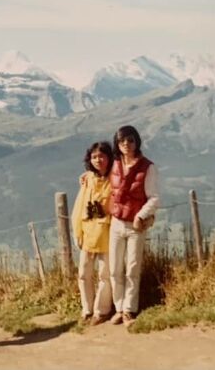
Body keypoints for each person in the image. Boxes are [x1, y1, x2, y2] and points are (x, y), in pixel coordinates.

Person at [108, 125, 160, 326]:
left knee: (132, 268)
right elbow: (100, 176)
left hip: (134, 226)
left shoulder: (148, 167)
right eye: (122, 141)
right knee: (114, 269)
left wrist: (141, 216)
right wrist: (85, 176)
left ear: (137, 141)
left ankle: (129, 310)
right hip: (116, 223)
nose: (126, 145)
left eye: (130, 140)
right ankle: (118, 308)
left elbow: (154, 198)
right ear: (117, 144)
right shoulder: (115, 164)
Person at [72, 141, 113, 325]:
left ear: (109, 158)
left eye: (102, 156)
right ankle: (86, 309)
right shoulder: (87, 179)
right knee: (84, 273)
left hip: (107, 233)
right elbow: (79, 206)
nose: (98, 160)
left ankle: (101, 310)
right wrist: (77, 231)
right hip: (88, 232)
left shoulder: (114, 178)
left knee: (105, 274)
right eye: (95, 157)